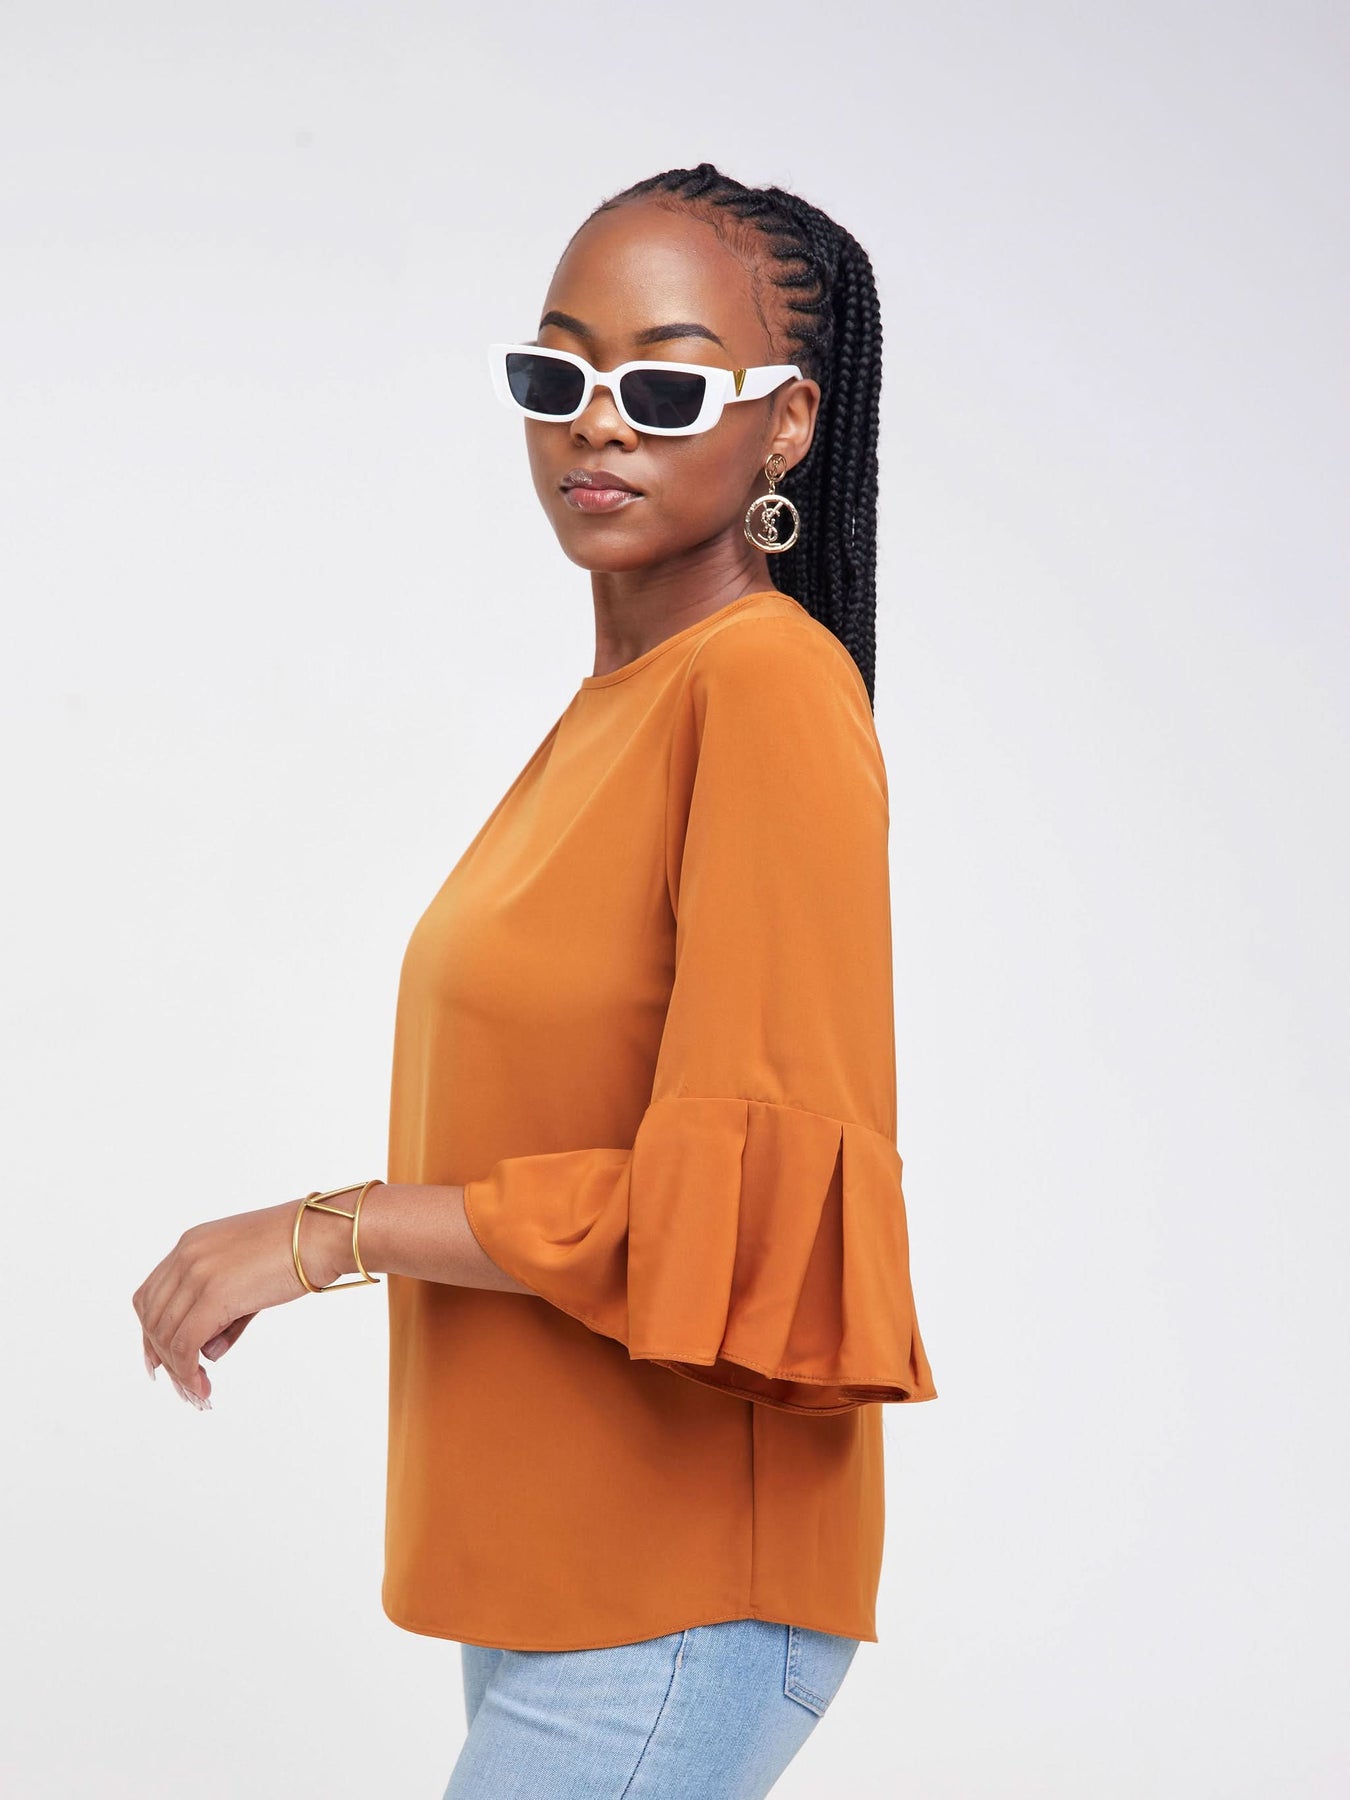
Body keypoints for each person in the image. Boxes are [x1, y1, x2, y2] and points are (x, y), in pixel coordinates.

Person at [132, 160, 939, 1799]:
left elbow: (736, 1217)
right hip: (557, 1585)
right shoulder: (621, 708)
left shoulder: (765, 691)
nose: (597, 426)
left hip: (674, 1592)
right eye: (555, 378)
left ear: (785, 424)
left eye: (664, 386)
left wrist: (325, 1231)